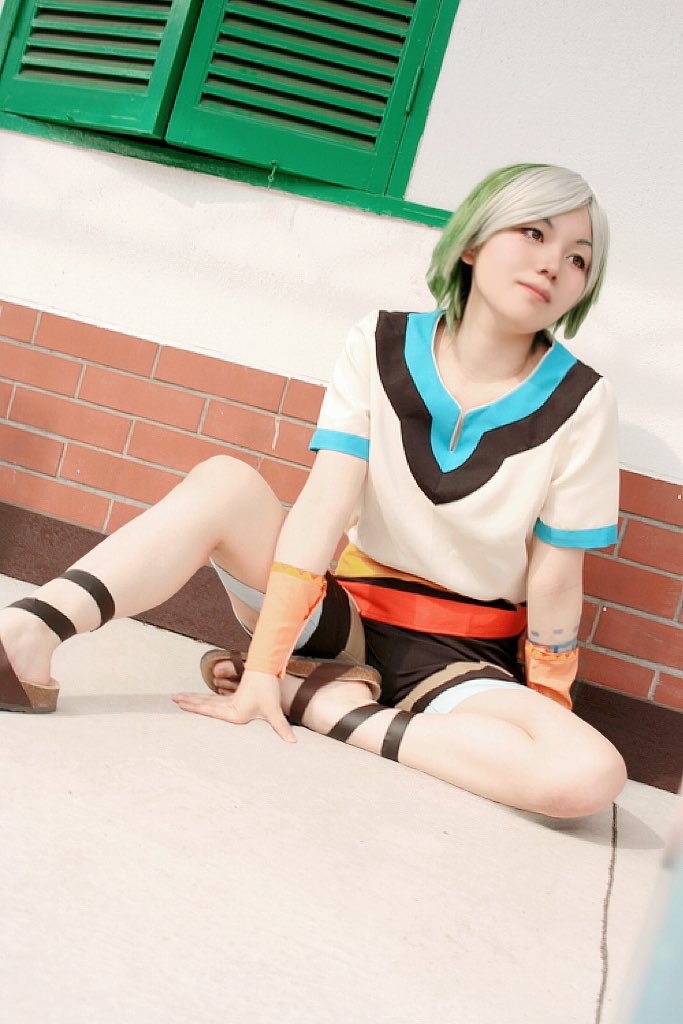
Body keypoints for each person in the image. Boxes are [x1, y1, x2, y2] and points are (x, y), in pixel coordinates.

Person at [0, 163, 627, 818]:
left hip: (462, 659)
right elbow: (323, 508)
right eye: (533, 233)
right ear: (472, 242)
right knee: (225, 483)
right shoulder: (380, 342)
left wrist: (543, 717)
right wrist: (264, 666)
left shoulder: (582, 401)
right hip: (340, 620)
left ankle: (322, 705)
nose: (552, 264)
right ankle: (27, 633)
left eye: (578, 259)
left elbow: (555, 579)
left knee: (586, 775)